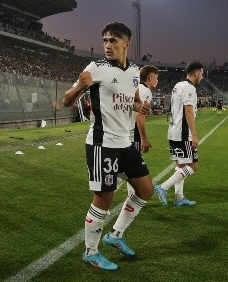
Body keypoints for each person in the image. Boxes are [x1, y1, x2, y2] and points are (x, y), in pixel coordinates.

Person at [63, 22, 152, 272]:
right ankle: (90, 252)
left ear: (126, 43)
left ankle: (115, 235)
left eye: (113, 40)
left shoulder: (134, 71)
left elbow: (133, 101)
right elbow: (67, 100)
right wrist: (80, 86)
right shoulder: (95, 68)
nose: (107, 45)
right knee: (104, 197)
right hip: (102, 143)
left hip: (126, 143)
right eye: (105, 41)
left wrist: (140, 107)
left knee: (146, 190)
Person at [154, 61, 205, 207]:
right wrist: (194, 135)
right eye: (201, 74)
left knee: (181, 164)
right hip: (183, 133)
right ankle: (163, 187)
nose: (202, 77)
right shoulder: (189, 88)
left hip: (173, 131)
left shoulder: (178, 85)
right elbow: (188, 111)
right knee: (193, 166)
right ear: (196, 73)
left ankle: (179, 198)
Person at [121, 65, 159, 197]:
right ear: (151, 77)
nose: (157, 81)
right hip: (132, 135)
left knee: (129, 167)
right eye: (156, 78)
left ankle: (131, 195)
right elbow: (140, 115)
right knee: (133, 168)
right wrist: (143, 138)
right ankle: (129, 196)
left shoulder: (137, 88)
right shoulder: (145, 91)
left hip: (124, 132)